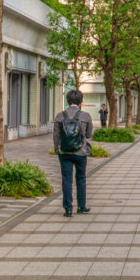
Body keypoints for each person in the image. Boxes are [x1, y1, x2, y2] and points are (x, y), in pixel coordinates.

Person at [53, 89, 94, 217]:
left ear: (67, 101)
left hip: (64, 153)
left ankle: (68, 209)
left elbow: (56, 135)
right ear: (81, 102)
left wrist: (57, 149)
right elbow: (88, 134)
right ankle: (81, 206)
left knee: (67, 179)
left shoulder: (60, 116)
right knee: (81, 178)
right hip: (80, 152)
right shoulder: (86, 116)